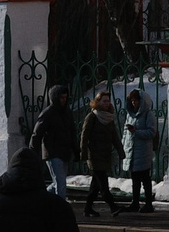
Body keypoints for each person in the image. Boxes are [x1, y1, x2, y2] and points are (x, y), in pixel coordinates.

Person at [78, 88, 123, 217]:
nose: (107, 103)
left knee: (95, 185)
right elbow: (84, 136)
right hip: (94, 156)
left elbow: (114, 136)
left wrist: (120, 151)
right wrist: (83, 153)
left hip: (105, 155)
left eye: (108, 101)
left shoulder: (109, 117)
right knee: (103, 184)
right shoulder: (92, 117)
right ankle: (113, 206)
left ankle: (88, 208)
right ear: (97, 102)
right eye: (104, 101)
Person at [29, 84, 78, 201]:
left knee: (59, 182)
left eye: (65, 97)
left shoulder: (67, 113)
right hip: (52, 153)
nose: (64, 100)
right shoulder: (48, 113)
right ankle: (61, 207)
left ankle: (41, 197)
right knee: (60, 182)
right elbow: (37, 134)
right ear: (55, 98)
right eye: (61, 98)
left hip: (65, 152)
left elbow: (72, 133)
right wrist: (32, 152)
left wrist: (76, 150)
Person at [123, 86, 157, 213]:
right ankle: (135, 202)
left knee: (145, 179)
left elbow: (151, 132)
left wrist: (136, 131)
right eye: (132, 100)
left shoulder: (148, 114)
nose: (134, 103)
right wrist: (124, 146)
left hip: (143, 152)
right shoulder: (130, 115)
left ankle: (148, 204)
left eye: (136, 100)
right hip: (132, 151)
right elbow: (125, 133)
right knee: (135, 179)